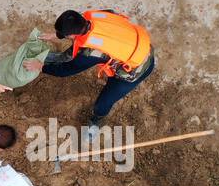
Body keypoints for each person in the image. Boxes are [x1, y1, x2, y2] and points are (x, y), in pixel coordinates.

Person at [22, 9, 154, 126]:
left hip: (135, 70)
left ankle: (96, 121)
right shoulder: (95, 16)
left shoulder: (91, 53)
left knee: (103, 102)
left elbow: (65, 71)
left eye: (65, 35)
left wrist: (40, 67)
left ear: (72, 35)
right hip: (143, 47)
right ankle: (58, 58)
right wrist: (57, 35)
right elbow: (78, 40)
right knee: (76, 49)